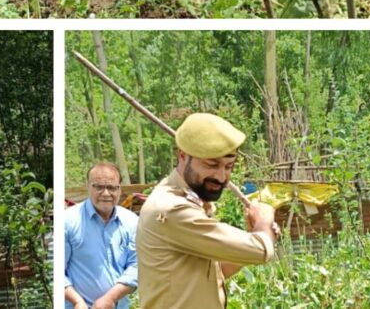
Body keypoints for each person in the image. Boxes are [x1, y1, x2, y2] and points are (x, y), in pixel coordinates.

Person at [136, 113, 280, 308]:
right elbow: (261, 252)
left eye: (229, 166)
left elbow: (215, 274)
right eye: (211, 165)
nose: (221, 177)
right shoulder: (172, 209)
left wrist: (250, 240)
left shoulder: (191, 200)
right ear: (182, 156)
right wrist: (263, 226)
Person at [65, 162, 138, 309]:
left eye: (111, 187)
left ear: (119, 189)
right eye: (99, 187)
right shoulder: (68, 221)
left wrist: (111, 298)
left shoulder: (132, 221)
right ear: (88, 187)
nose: (106, 193)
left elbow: (137, 265)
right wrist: (77, 301)